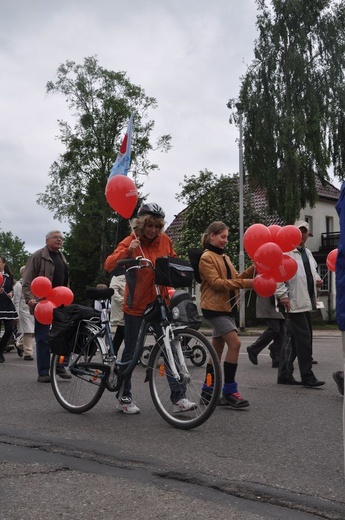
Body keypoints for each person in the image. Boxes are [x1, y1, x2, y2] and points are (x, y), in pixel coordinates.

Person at [104, 202, 196, 415]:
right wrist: (128, 251)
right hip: (136, 305)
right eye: (150, 226)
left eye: (157, 226)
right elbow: (109, 265)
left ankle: (179, 398)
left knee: (170, 347)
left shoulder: (165, 240)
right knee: (132, 353)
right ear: (141, 224)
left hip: (160, 302)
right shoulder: (131, 240)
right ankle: (124, 397)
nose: (154, 230)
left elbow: (171, 260)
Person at [198, 221, 255, 408]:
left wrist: (254, 269)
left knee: (217, 351)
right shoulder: (207, 257)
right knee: (235, 343)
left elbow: (235, 279)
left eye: (226, 237)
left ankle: (207, 392)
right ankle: (230, 391)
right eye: (223, 237)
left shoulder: (225, 258)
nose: (225, 241)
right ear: (212, 236)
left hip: (226, 307)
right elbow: (217, 284)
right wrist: (247, 283)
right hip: (214, 308)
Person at [277, 220, 324, 387]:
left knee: (296, 339)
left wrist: (318, 280)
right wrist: (283, 295)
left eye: (305, 232)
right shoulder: (287, 253)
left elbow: (312, 272)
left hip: (307, 300)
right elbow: (278, 275)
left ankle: (284, 374)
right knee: (304, 339)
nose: (302, 235)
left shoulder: (308, 253)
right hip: (294, 301)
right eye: (299, 232)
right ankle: (307, 376)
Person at [22, 230, 71, 383]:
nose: (59, 240)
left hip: (61, 303)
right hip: (42, 304)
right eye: (55, 237)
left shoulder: (62, 257)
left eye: (61, 238)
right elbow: (27, 280)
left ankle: (60, 365)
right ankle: (43, 372)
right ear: (47, 240)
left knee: (64, 336)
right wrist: (30, 299)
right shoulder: (38, 256)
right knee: (43, 338)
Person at [247, 291, 286, 368]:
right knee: (275, 329)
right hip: (269, 301)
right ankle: (254, 348)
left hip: (278, 301)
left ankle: (277, 358)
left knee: (281, 331)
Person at [13, 266, 35, 360]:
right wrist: (16, 314)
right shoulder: (19, 285)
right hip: (23, 310)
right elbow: (16, 300)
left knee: (33, 332)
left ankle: (19, 344)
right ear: (22, 273)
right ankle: (28, 354)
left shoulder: (32, 283)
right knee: (28, 331)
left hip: (31, 309)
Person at [0, 256, 18, 363]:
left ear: (4, 264)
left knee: (9, 330)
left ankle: (0, 349)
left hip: (7, 305)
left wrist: (11, 293)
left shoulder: (9, 276)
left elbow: (11, 289)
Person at [109, 273, 126, 356]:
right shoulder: (117, 277)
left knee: (120, 334)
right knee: (126, 333)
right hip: (122, 309)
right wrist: (124, 300)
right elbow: (113, 291)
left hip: (129, 309)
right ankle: (128, 357)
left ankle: (112, 353)